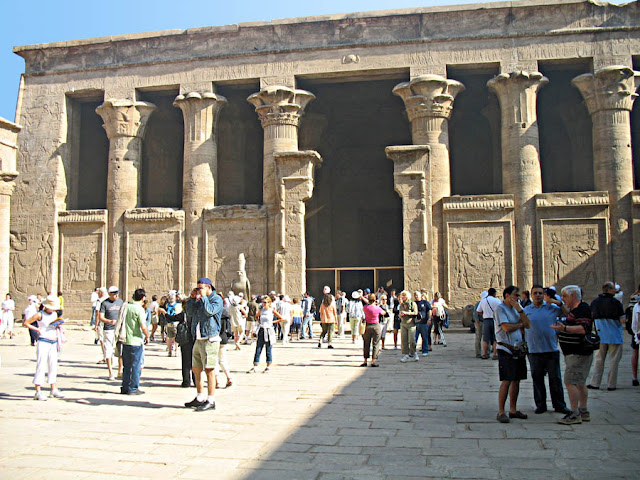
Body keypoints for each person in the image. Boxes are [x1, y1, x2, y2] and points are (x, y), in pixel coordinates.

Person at [523, 285, 571, 415]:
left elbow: (568, 314)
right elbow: (522, 326)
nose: (538, 295)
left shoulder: (552, 308)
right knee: (537, 379)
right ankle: (540, 405)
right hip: (534, 350)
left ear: (544, 295)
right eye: (535, 293)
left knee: (555, 379)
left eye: (540, 293)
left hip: (551, 349)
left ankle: (559, 404)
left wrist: (559, 303)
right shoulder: (526, 310)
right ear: (531, 295)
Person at [551, 285, 595, 425]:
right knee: (580, 383)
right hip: (574, 352)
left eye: (564, 296)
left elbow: (583, 329)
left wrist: (564, 328)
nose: (562, 299)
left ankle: (575, 413)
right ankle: (583, 411)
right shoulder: (575, 310)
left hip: (578, 352)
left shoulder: (583, 309)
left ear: (573, 296)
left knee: (571, 382)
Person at [184, 278, 223, 412]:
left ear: (208, 288)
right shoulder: (199, 299)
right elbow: (189, 313)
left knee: (209, 370)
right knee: (196, 369)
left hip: (210, 338)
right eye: (198, 288)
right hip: (198, 338)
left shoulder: (216, 299)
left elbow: (209, 311)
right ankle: (200, 397)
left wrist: (204, 298)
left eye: (201, 288)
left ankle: (211, 400)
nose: (199, 290)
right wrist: (192, 299)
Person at [494, 285, 531, 423]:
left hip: (518, 347)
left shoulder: (517, 308)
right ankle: (501, 411)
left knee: (517, 379)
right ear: (507, 296)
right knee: (507, 380)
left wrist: (520, 311)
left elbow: (528, 324)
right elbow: (506, 327)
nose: (518, 298)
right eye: (516, 295)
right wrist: (519, 324)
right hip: (506, 348)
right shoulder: (500, 309)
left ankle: (513, 410)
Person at [23, 295, 65, 400]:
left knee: (53, 365)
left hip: (53, 341)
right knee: (41, 365)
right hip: (43, 341)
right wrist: (37, 330)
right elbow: (26, 323)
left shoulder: (54, 314)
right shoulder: (39, 314)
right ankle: (38, 390)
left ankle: (53, 388)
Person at [588, 281, 626, 391]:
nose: (615, 290)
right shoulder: (616, 303)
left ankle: (595, 383)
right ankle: (611, 384)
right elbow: (622, 319)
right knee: (614, 361)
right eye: (614, 289)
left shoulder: (595, 302)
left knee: (598, 359)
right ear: (609, 290)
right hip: (614, 335)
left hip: (600, 335)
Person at [118, 288, 149, 395]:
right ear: (143, 298)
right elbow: (143, 326)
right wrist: (147, 336)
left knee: (126, 366)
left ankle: (125, 387)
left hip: (126, 340)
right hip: (136, 341)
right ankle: (133, 388)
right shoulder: (139, 309)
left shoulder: (127, 306)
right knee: (136, 365)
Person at [248, 296, 283, 373]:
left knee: (268, 348)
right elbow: (256, 316)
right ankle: (255, 366)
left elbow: (281, 318)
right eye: (263, 302)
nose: (263, 304)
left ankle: (268, 366)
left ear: (269, 303)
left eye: (265, 302)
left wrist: (272, 322)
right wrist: (259, 322)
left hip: (268, 330)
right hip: (261, 329)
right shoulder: (261, 310)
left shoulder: (272, 310)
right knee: (258, 348)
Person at [98, 286, 124, 380]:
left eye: (117, 294)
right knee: (108, 350)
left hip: (119, 329)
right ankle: (110, 372)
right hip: (109, 329)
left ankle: (120, 371)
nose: (116, 296)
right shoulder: (105, 303)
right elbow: (101, 317)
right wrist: (109, 321)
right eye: (114, 294)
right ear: (110, 295)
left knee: (120, 349)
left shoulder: (120, 302)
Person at [361, 293, 385, 367]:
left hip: (367, 326)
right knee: (375, 344)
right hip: (376, 325)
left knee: (366, 343)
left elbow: (366, 307)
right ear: (375, 300)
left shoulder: (365, 307)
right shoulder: (377, 308)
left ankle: (365, 360)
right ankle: (373, 361)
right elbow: (383, 313)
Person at [477, 288, 501, 359]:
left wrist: (484, 314)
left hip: (486, 320)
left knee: (485, 338)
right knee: (495, 338)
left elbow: (478, 311)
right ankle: (495, 353)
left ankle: (484, 353)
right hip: (495, 320)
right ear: (494, 293)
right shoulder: (497, 300)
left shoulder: (483, 301)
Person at [398, 290, 418, 362]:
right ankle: (406, 354)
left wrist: (406, 313)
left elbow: (415, 312)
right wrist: (401, 314)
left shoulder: (413, 304)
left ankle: (414, 352)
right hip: (403, 324)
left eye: (404, 295)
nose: (402, 297)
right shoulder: (401, 305)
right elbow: (399, 314)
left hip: (411, 324)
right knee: (404, 340)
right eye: (402, 295)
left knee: (412, 340)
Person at [162, 290, 182, 357]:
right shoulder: (178, 305)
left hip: (168, 322)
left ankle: (170, 352)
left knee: (169, 337)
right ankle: (176, 351)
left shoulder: (168, 305)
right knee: (176, 338)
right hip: (175, 322)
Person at [627, 284, 640, 386]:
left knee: (635, 353)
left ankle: (635, 377)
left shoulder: (635, 302)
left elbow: (634, 323)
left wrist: (635, 333)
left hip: (637, 333)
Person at [414, 291, 432, 357]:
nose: (416, 296)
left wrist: (429, 319)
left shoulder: (425, 302)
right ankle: (413, 350)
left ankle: (425, 350)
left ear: (421, 296)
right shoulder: (413, 303)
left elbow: (429, 310)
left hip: (424, 323)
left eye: (417, 295)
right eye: (415, 295)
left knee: (424, 337)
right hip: (415, 323)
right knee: (414, 338)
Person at [474, 292, 487, 358]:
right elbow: (476, 313)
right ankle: (479, 352)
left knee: (485, 337)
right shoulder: (479, 303)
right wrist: (477, 321)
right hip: (481, 321)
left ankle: (485, 351)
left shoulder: (484, 302)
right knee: (479, 337)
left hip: (484, 321)